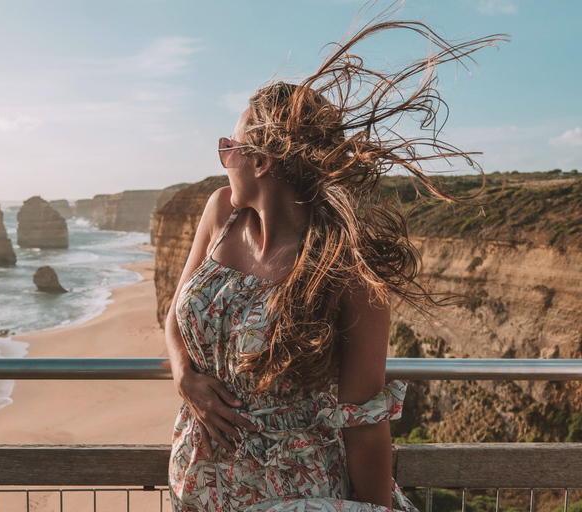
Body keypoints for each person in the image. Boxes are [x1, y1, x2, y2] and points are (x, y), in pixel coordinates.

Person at [164, 13, 504, 512]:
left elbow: (365, 423)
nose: (225, 157)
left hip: (296, 496)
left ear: (262, 162)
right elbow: (175, 315)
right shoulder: (221, 212)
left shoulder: (347, 267)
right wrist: (183, 377)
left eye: (230, 147)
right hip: (197, 485)